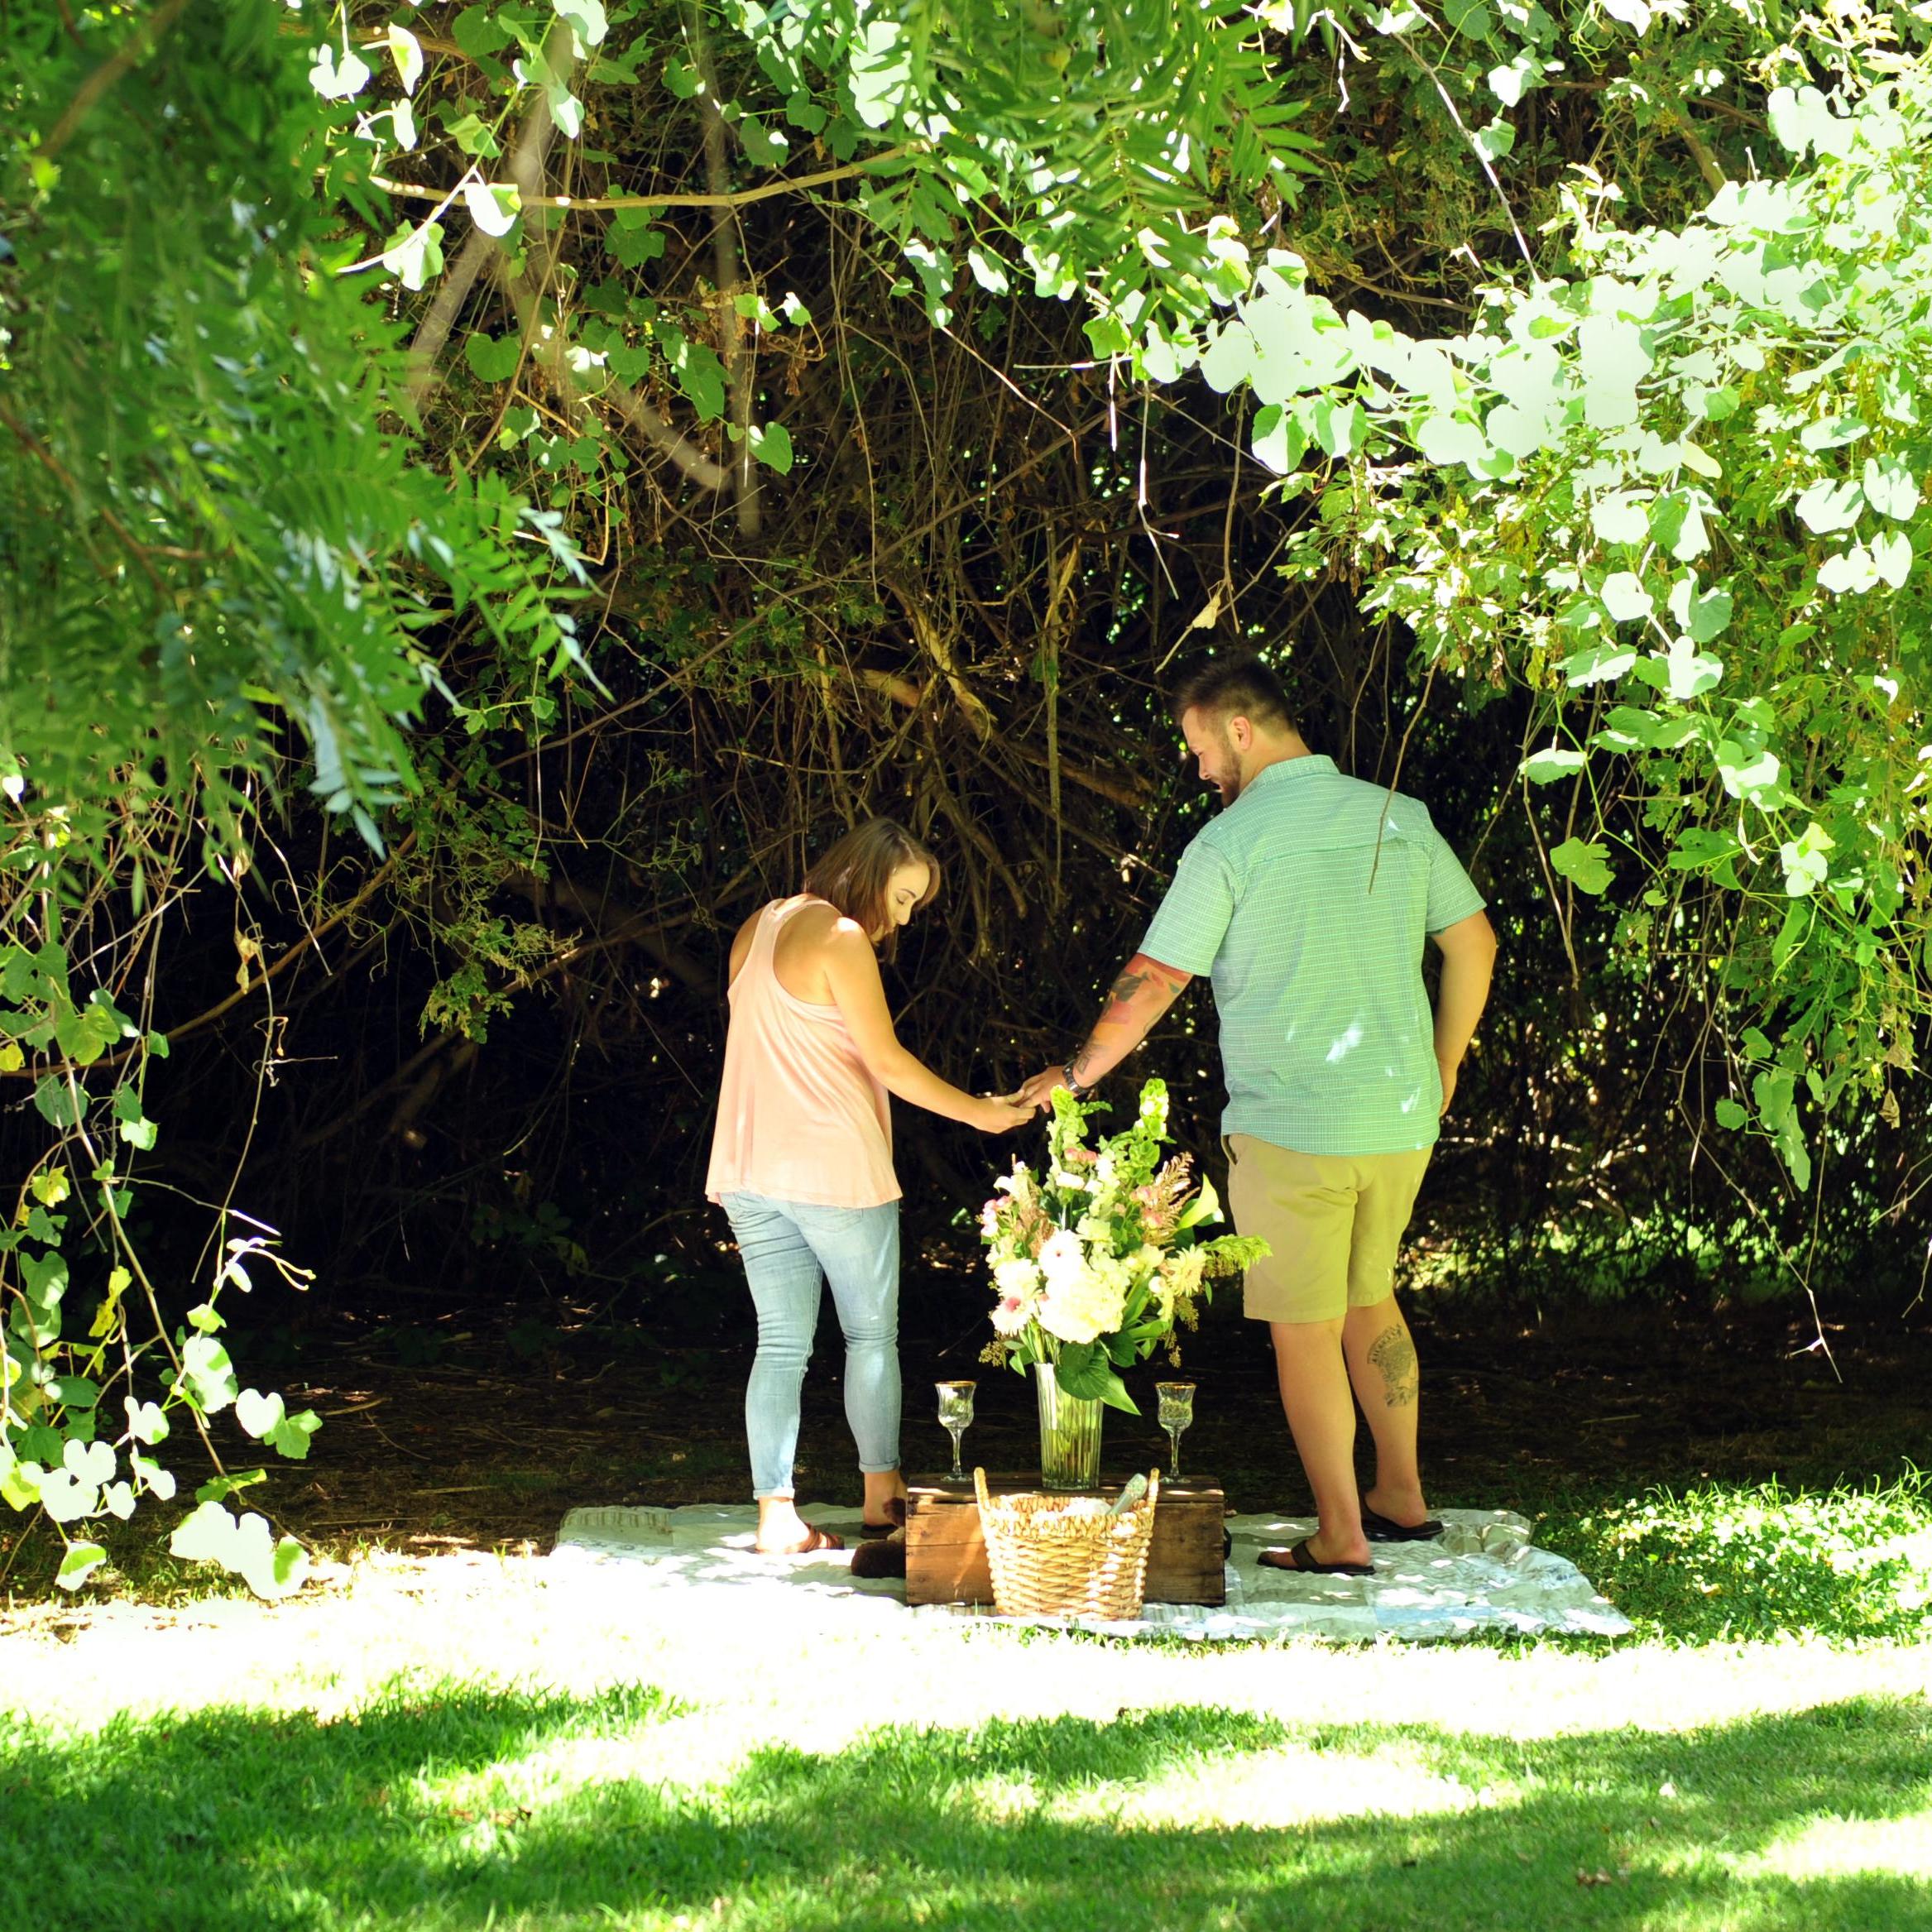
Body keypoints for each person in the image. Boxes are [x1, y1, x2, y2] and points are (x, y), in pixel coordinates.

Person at [1016, 655, 1497, 1575]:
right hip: (1399, 1118)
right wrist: (1442, 1067)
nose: (1200, 769)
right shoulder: (1397, 815)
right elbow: (1473, 942)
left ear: (1239, 728)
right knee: (1371, 1297)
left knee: (1304, 1328)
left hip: (1293, 1126)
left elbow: (1157, 976)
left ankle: (1342, 1535)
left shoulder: (1230, 842)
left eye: (1201, 747)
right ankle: (1400, 1495)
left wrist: (1074, 1074)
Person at [708, 818, 1031, 1555]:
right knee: (869, 1336)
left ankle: (775, 1515)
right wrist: (979, 1112)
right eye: (903, 896)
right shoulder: (842, 936)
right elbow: (884, 1060)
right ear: (868, 873)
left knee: (779, 1343)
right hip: (835, 1168)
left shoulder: (757, 926)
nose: (904, 917)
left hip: (750, 1166)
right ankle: (882, 1495)